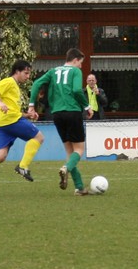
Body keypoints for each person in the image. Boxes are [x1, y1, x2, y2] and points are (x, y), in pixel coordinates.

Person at [28, 48, 93, 195]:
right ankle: (66, 168)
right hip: (72, 112)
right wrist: (87, 106)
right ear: (75, 60)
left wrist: (31, 105)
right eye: (81, 63)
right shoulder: (75, 71)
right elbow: (77, 91)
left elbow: (36, 84)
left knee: (70, 152)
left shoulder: (53, 71)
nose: (81, 66)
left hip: (57, 114)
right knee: (79, 150)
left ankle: (79, 187)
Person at [0, 60, 44, 197]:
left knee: (1, 155)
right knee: (39, 137)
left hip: (0, 124)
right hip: (11, 122)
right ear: (17, 71)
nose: (28, 76)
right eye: (26, 73)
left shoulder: (14, 86)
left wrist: (27, 115)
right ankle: (23, 167)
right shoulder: (9, 82)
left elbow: (13, 110)